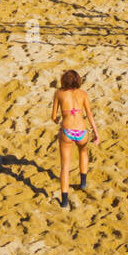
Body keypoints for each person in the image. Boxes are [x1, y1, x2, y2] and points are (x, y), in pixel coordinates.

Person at [51, 70, 99, 210]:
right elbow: (89, 114)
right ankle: (83, 183)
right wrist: (96, 132)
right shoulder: (83, 94)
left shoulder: (59, 93)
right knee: (83, 153)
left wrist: (58, 120)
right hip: (82, 131)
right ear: (78, 80)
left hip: (67, 131)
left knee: (65, 166)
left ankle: (64, 201)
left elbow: (53, 116)